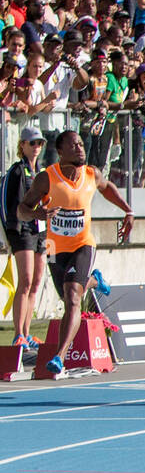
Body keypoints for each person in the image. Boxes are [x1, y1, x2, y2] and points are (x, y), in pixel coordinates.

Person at [17, 131, 132, 376]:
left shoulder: (91, 174)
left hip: (83, 244)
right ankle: (94, 280)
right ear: (60, 152)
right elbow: (21, 210)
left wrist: (128, 210)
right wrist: (37, 213)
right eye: (74, 145)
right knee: (67, 296)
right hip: (53, 247)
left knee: (72, 297)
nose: (80, 148)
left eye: (81, 144)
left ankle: (59, 357)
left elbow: (106, 188)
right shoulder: (46, 178)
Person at [3, 128, 47, 352]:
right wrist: (10, 231)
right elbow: (5, 202)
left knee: (36, 282)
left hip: (41, 231)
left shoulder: (42, 171)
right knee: (26, 280)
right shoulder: (17, 170)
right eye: (32, 143)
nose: (36, 147)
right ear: (22, 145)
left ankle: (27, 333)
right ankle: (18, 334)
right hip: (22, 230)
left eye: (39, 143)